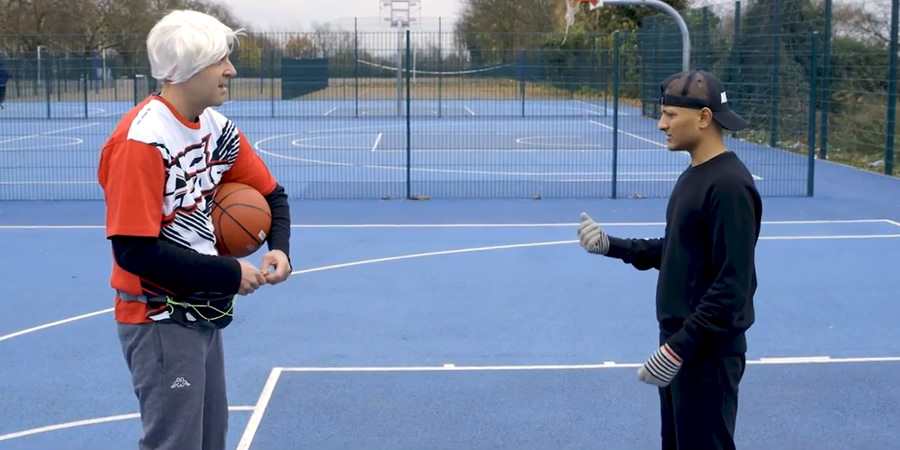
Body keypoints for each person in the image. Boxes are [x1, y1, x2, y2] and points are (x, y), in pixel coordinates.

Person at [97, 10, 292, 450]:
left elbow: (274, 196)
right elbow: (135, 251)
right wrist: (228, 272)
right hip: (159, 317)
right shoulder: (141, 142)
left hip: (202, 309)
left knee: (209, 440)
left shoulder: (216, 128)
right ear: (186, 70)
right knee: (176, 443)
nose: (231, 70)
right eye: (219, 60)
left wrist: (279, 247)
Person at [577, 69, 762, 450]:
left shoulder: (729, 185)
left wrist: (679, 347)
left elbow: (732, 287)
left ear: (705, 118)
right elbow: (682, 251)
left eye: (671, 115)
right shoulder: (694, 175)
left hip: (704, 353)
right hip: (682, 347)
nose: (661, 124)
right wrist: (613, 245)